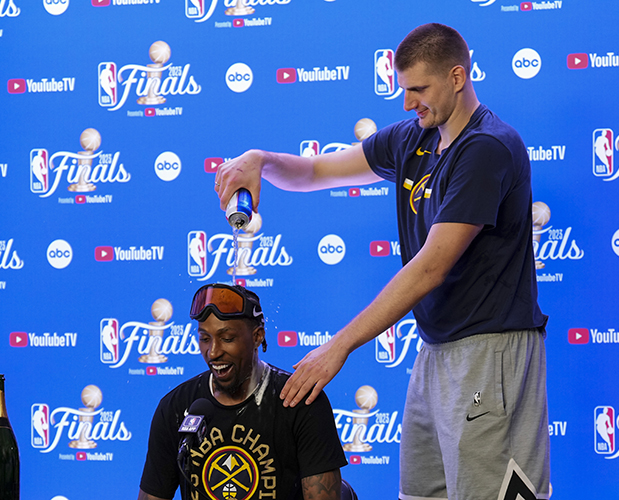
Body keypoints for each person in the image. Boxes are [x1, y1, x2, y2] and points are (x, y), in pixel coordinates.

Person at [214, 23, 550, 500]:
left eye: (418, 90)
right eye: (404, 90)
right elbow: (315, 171)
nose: (408, 103)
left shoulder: (487, 148)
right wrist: (260, 159)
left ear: (458, 77)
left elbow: (432, 266)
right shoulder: (413, 138)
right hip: (435, 351)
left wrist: (340, 346)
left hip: (488, 354)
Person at [138, 283, 347, 500]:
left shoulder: (299, 402)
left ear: (257, 337)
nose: (213, 352)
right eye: (204, 338)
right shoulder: (176, 407)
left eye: (227, 338)